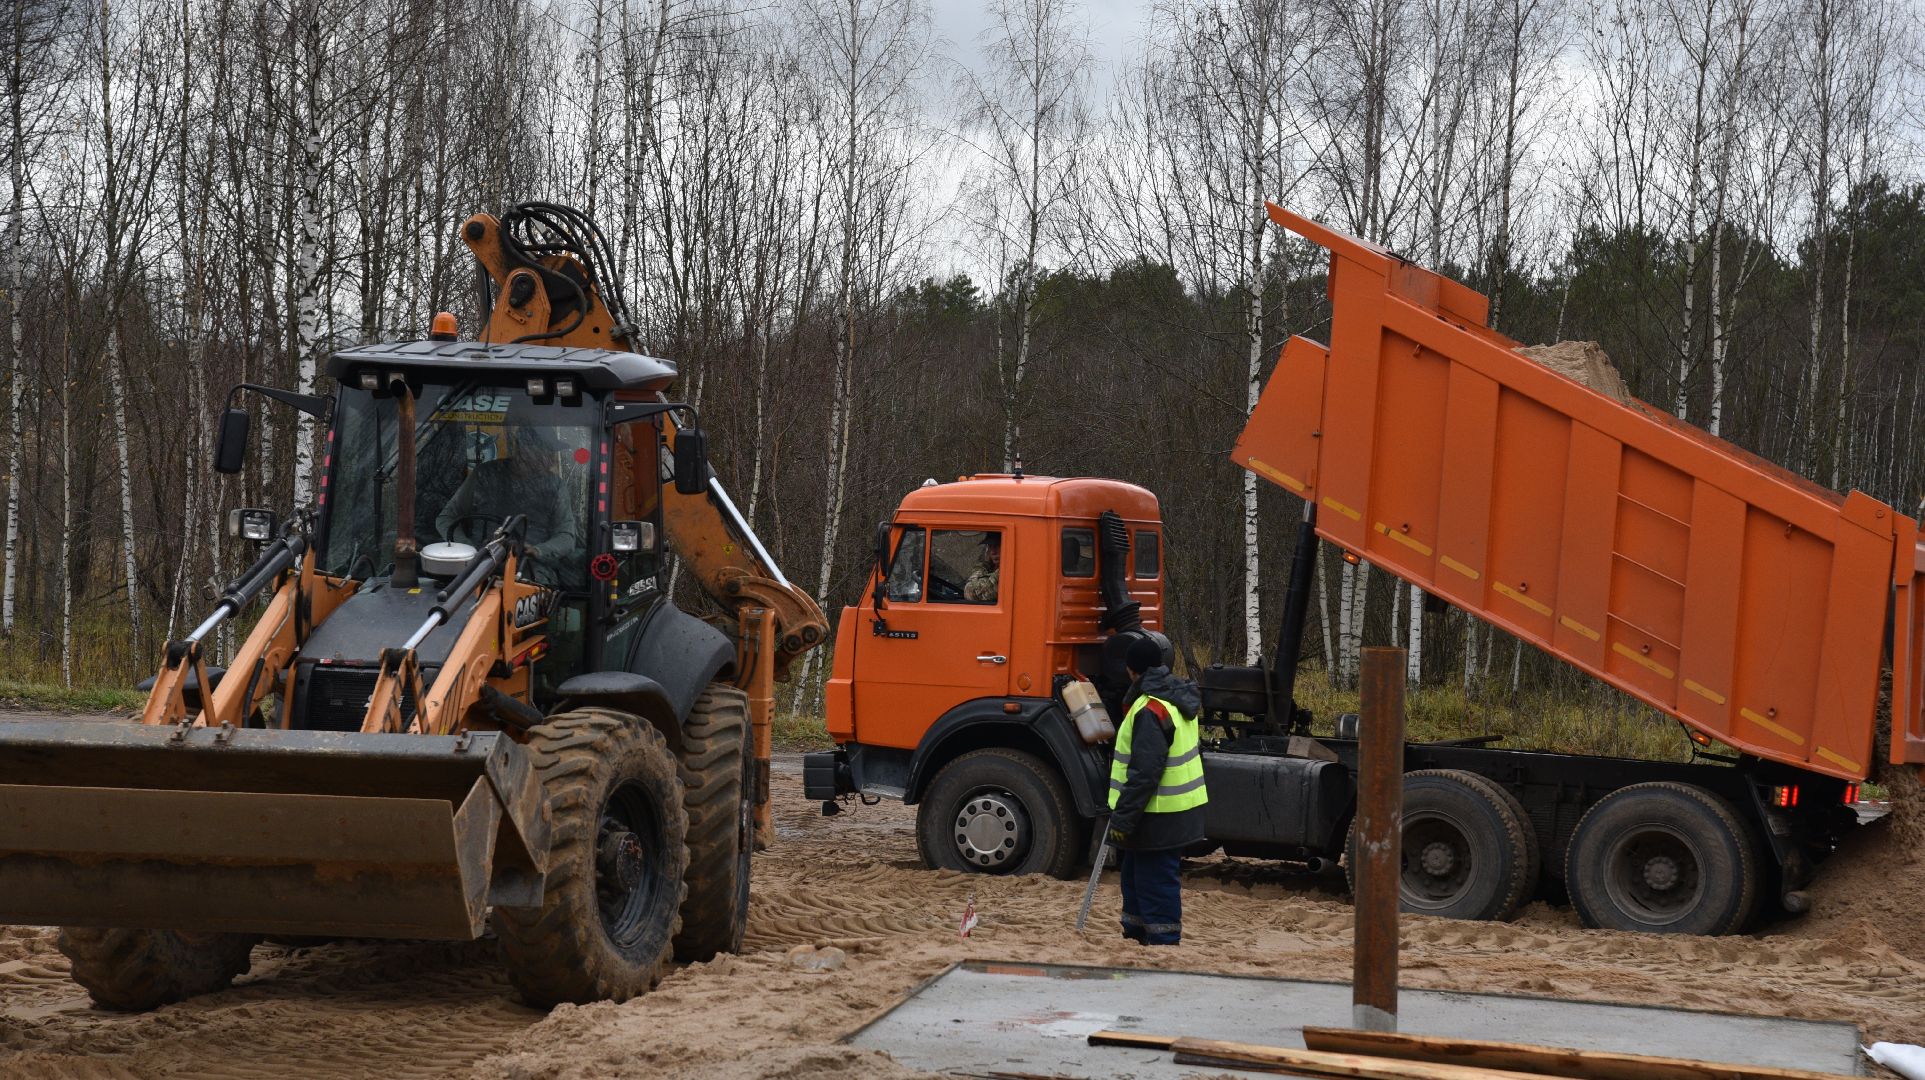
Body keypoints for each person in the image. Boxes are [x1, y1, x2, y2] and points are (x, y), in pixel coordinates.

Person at [1106, 635, 1207, 945]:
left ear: (1131, 670)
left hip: (1158, 814)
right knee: (1135, 876)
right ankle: (1135, 935)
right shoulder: (1172, 698)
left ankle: (1164, 943)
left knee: (1155, 880)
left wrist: (1122, 820)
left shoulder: (1152, 708)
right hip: (1165, 811)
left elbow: (1145, 773)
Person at [435, 413, 584, 586]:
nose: (551, 460)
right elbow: (446, 519)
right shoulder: (484, 475)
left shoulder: (555, 486)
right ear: (523, 449)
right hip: (480, 565)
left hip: (531, 569)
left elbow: (566, 537)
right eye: (546, 451)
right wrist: (469, 549)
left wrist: (537, 550)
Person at [964, 533, 1001, 602]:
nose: (993, 552)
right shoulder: (993, 567)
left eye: (997, 546)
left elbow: (970, 593)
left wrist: (985, 563)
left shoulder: (1005, 572)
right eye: (990, 546)